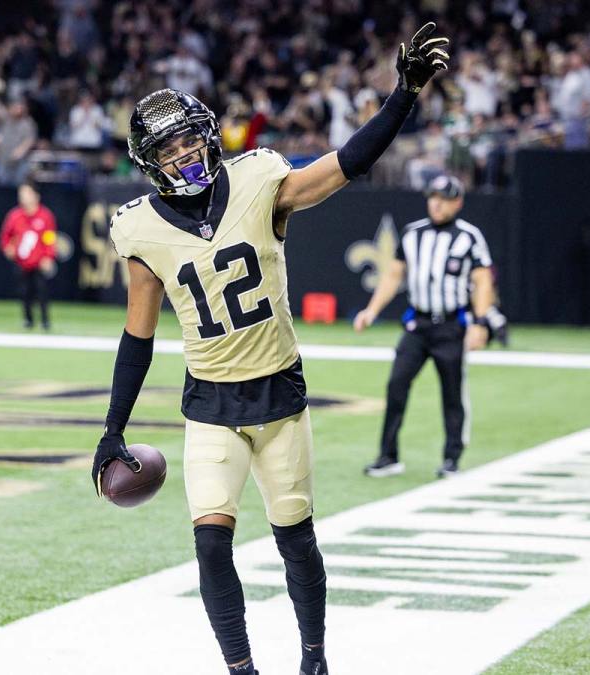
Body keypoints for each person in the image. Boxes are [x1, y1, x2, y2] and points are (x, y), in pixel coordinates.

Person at [93, 24, 450, 675]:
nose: (183, 154)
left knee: (296, 540)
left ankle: (314, 658)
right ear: (149, 161)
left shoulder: (260, 179)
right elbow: (136, 336)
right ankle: (242, 669)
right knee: (210, 545)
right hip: (210, 407)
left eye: (188, 138)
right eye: (167, 147)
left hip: (280, 397)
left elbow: (347, 163)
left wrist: (403, 96)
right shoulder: (140, 227)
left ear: (208, 132)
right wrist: (112, 427)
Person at [353, 174, 500, 479]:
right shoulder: (412, 234)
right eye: (433, 197)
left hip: (451, 325)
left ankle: (452, 458)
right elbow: (393, 276)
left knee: (452, 393)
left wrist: (481, 322)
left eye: (444, 198)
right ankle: (388, 455)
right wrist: (371, 310)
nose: (437, 203)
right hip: (417, 324)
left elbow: (482, 281)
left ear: (457, 202)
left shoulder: (469, 236)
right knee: (396, 385)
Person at [0, 181, 56, 330]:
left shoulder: (45, 216)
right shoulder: (15, 216)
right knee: (24, 292)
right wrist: (7, 248)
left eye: (26, 193)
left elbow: (49, 238)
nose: (23, 197)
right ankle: (28, 319)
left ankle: (45, 320)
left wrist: (48, 256)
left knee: (42, 291)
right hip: (21, 261)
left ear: (36, 196)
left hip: (39, 261)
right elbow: (6, 236)